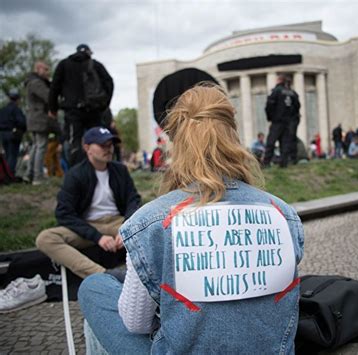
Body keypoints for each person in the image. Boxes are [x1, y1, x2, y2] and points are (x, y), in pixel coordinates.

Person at [78, 84, 305, 354]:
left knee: (93, 286)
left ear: (178, 142)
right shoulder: (284, 215)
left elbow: (135, 323)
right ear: (232, 134)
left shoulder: (150, 222)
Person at [35, 127, 141, 279]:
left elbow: (134, 200)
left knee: (155, 227)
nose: (108, 149)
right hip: (88, 225)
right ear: (87, 148)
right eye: (102, 145)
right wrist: (97, 236)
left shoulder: (120, 170)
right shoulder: (75, 174)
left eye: (110, 145)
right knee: (45, 238)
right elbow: (63, 213)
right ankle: (103, 275)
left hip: (117, 223)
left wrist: (126, 228)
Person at [49, 44, 114, 167]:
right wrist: (104, 104)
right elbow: (109, 82)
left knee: (74, 140)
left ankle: (77, 170)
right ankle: (98, 167)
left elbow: (54, 87)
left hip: (72, 109)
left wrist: (53, 108)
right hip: (94, 110)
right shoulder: (95, 65)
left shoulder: (64, 64)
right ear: (89, 52)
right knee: (97, 139)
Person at [23, 61, 52, 185]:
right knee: (41, 146)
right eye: (45, 69)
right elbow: (48, 97)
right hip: (39, 117)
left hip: (33, 117)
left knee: (35, 146)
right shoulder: (37, 83)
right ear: (38, 69)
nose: (47, 72)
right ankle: (37, 177)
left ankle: (29, 174)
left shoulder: (31, 81)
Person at [263, 74, 300, 167]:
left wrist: (270, 118)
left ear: (279, 80)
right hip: (288, 122)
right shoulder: (292, 93)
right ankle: (284, 163)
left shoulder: (276, 91)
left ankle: (266, 162)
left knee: (271, 142)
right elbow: (297, 107)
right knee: (285, 143)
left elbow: (269, 105)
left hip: (277, 121)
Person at [0, 89, 27, 176]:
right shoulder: (16, 109)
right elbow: (21, 122)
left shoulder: (3, 109)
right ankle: (10, 174)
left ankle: (5, 173)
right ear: (18, 99)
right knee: (13, 155)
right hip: (13, 134)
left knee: (7, 155)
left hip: (3, 134)